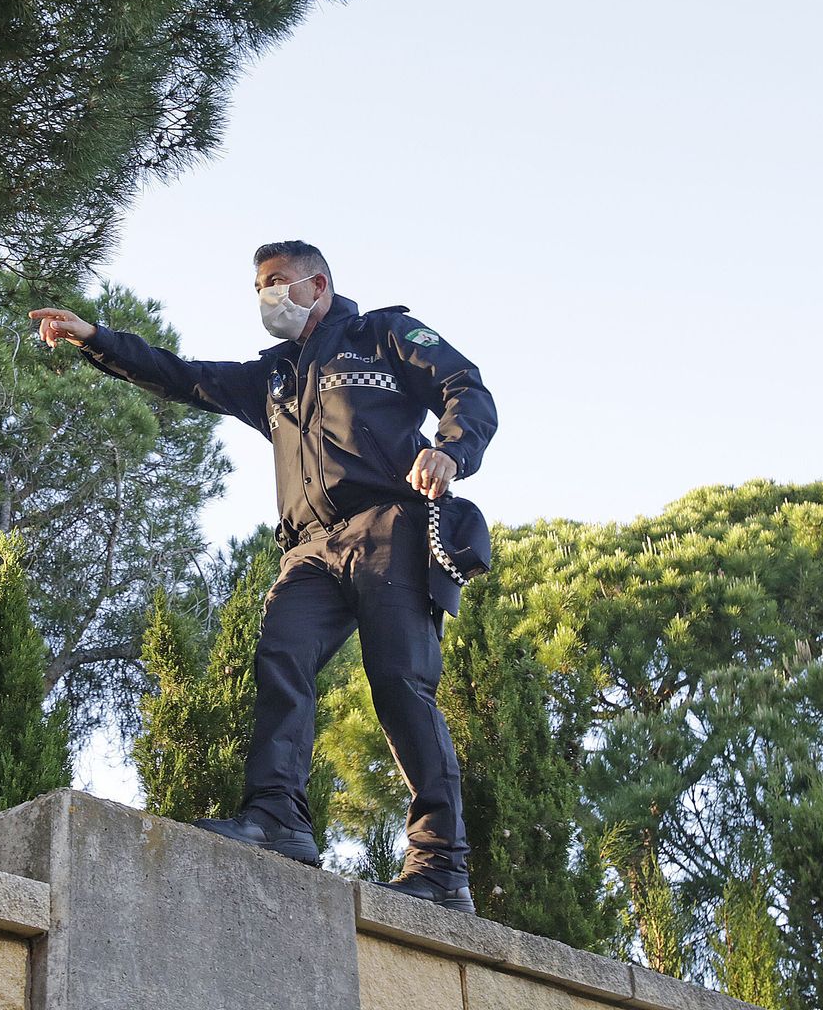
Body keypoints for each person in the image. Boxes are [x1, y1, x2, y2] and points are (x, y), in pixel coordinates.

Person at [30, 240, 497, 912]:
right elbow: (184, 375)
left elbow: (465, 386)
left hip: (387, 527)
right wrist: (95, 338)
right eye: (258, 286)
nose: (267, 295)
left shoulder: (383, 335)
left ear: (319, 285)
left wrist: (451, 450)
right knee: (281, 656)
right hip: (309, 547)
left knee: (400, 685)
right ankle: (277, 817)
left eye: (278, 281)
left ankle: (441, 865)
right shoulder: (273, 377)